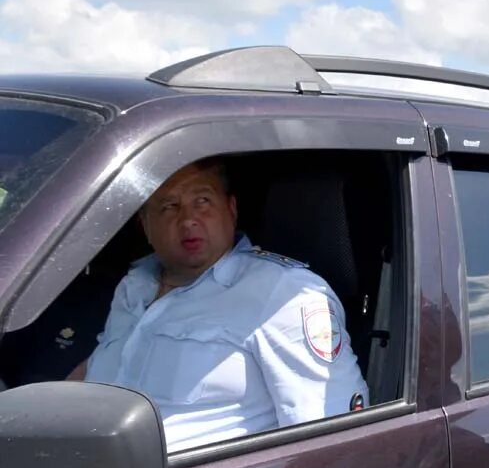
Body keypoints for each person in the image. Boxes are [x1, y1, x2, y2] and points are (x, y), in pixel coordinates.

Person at [70, 157, 369, 450]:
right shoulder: (133, 285)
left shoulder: (284, 294)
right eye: (169, 206)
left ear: (232, 209)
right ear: (145, 225)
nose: (187, 219)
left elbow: (333, 437)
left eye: (202, 201)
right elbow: (101, 368)